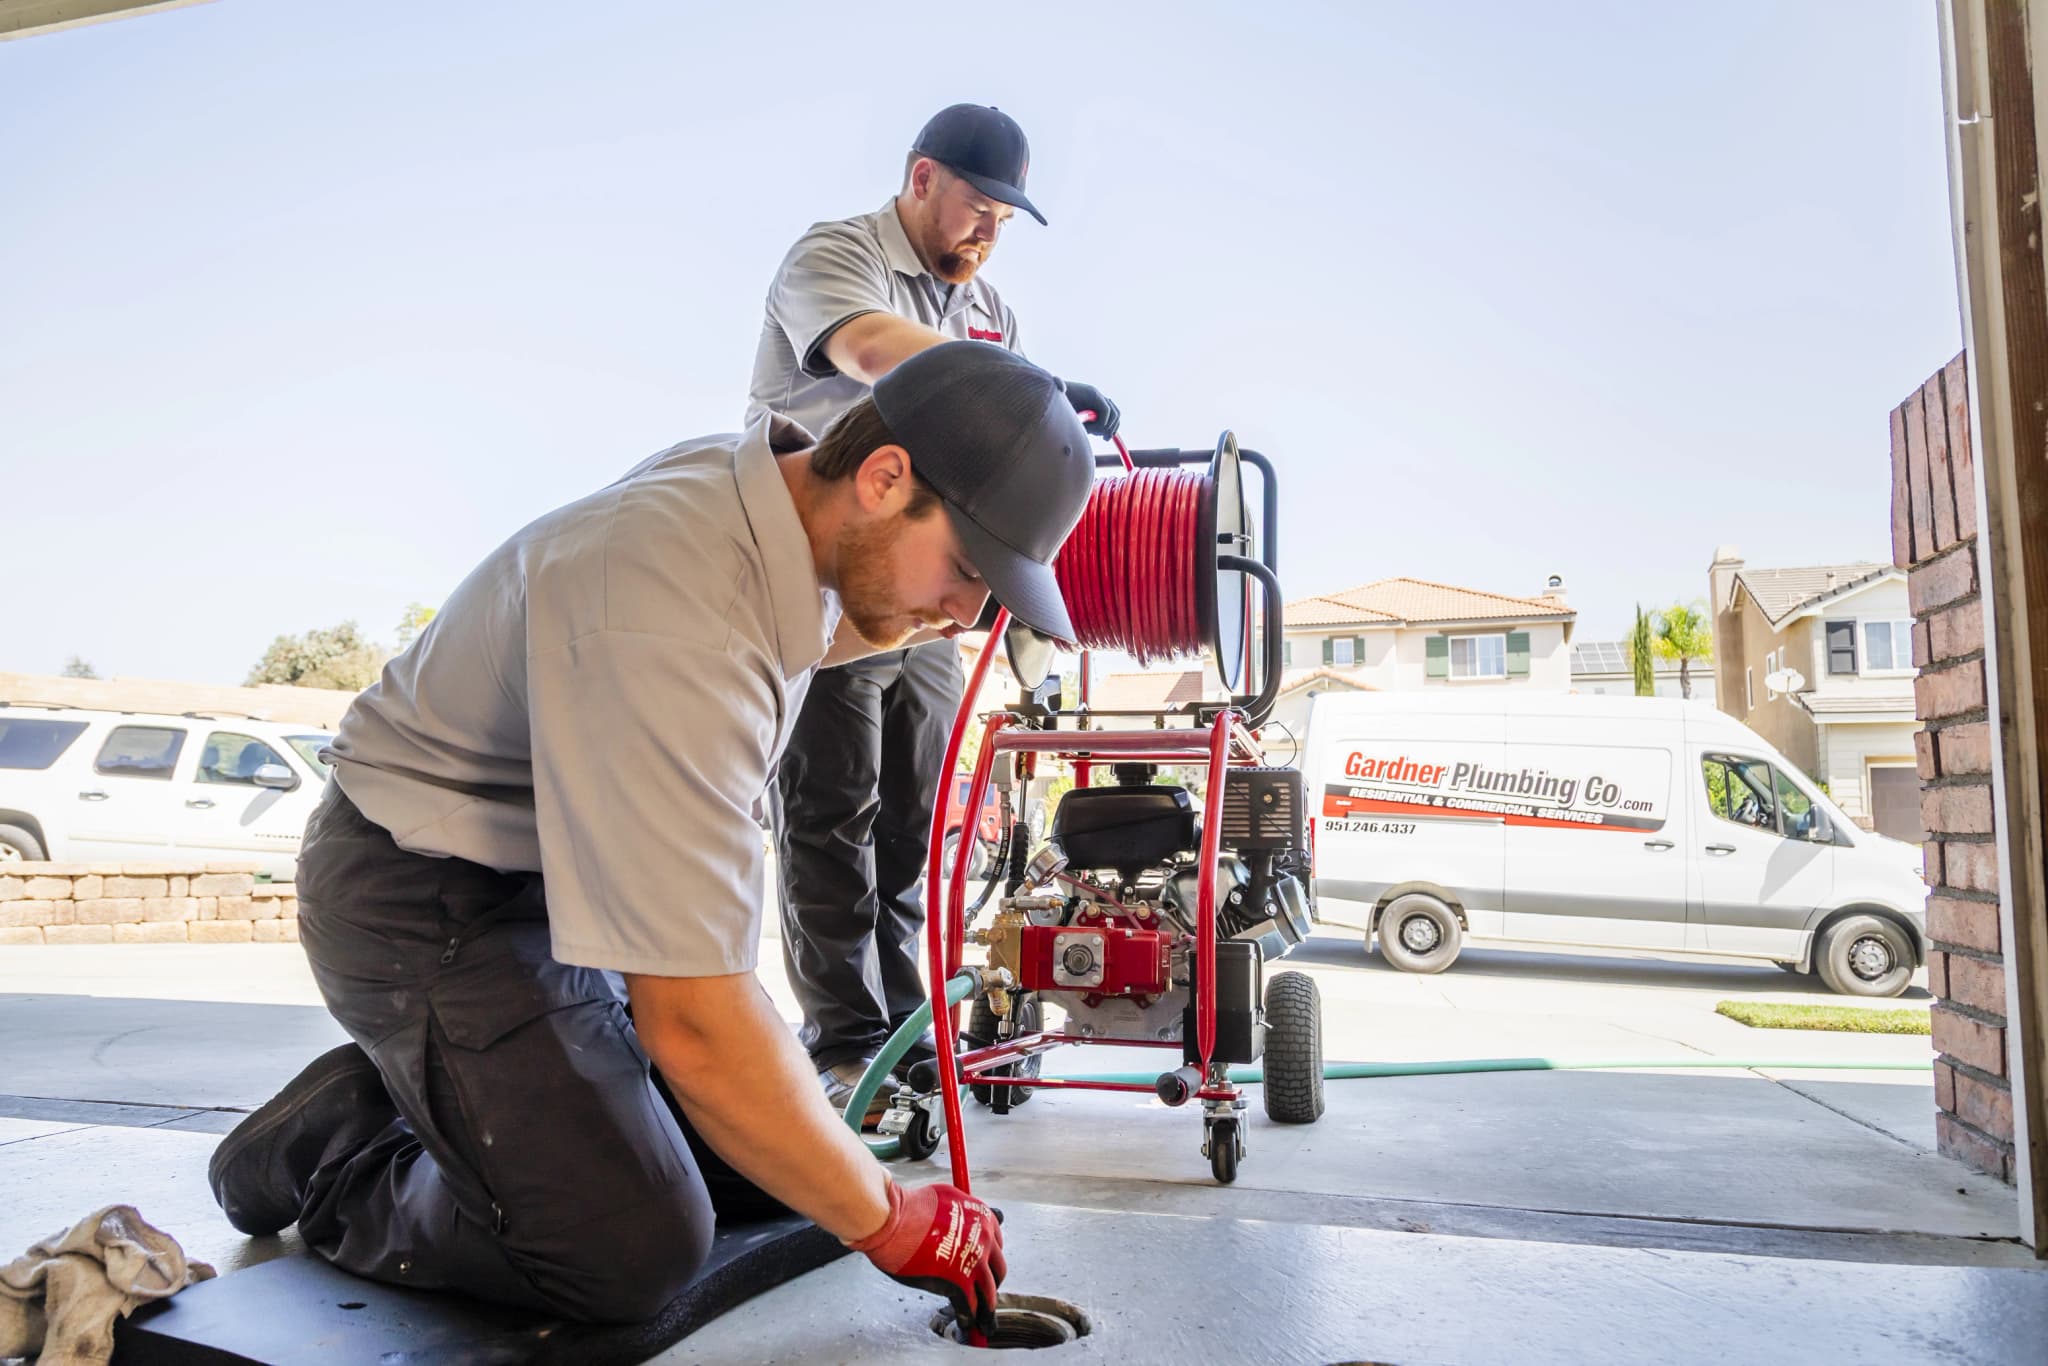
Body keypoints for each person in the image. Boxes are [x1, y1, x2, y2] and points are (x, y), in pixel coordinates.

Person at [206, 343, 1095, 1335]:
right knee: (629, 1248)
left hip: (544, 892)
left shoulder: (763, 502)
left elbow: (823, 620)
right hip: (419, 899)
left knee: (779, 1167)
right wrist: (890, 1222)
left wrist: (911, 606)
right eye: (969, 570)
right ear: (885, 477)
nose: (968, 616)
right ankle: (344, 1146)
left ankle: (462, 1084)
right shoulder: (676, 611)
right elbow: (697, 1024)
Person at [748, 104, 1118, 1119]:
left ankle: (904, 1029)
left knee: (910, 820)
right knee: (831, 814)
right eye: (977, 204)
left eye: (1006, 215)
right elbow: (874, 350)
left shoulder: (989, 308)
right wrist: (1019, 386)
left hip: (925, 595)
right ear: (921, 178)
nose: (988, 229)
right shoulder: (835, 256)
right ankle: (843, 1043)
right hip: (830, 577)